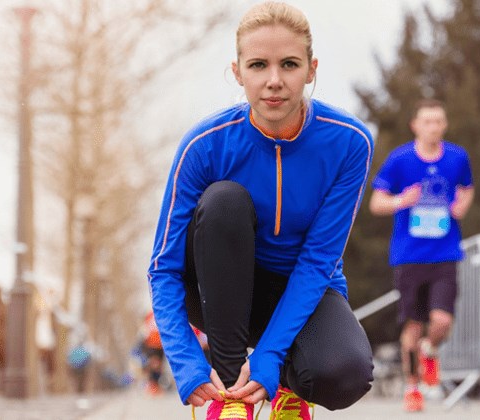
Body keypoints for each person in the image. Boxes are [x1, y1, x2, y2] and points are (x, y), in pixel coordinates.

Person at [146, 2, 375, 419]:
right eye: (258, 65)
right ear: (238, 72)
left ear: (311, 69)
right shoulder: (204, 145)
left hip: (304, 286)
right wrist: (186, 363)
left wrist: (270, 358)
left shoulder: (350, 143)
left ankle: (289, 387)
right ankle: (232, 394)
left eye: (289, 64)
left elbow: (318, 261)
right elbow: (163, 268)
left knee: (347, 372)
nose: (274, 81)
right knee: (224, 201)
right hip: (218, 290)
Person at [368, 98, 474, 412]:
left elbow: (467, 187)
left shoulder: (457, 157)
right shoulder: (400, 159)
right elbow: (376, 203)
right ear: (415, 125)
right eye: (427, 121)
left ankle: (431, 350)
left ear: (445, 124)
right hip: (409, 256)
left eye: (438, 121)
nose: (433, 127)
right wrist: (402, 200)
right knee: (413, 326)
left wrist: (461, 206)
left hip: (445, 252)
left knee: (441, 320)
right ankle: (412, 388)